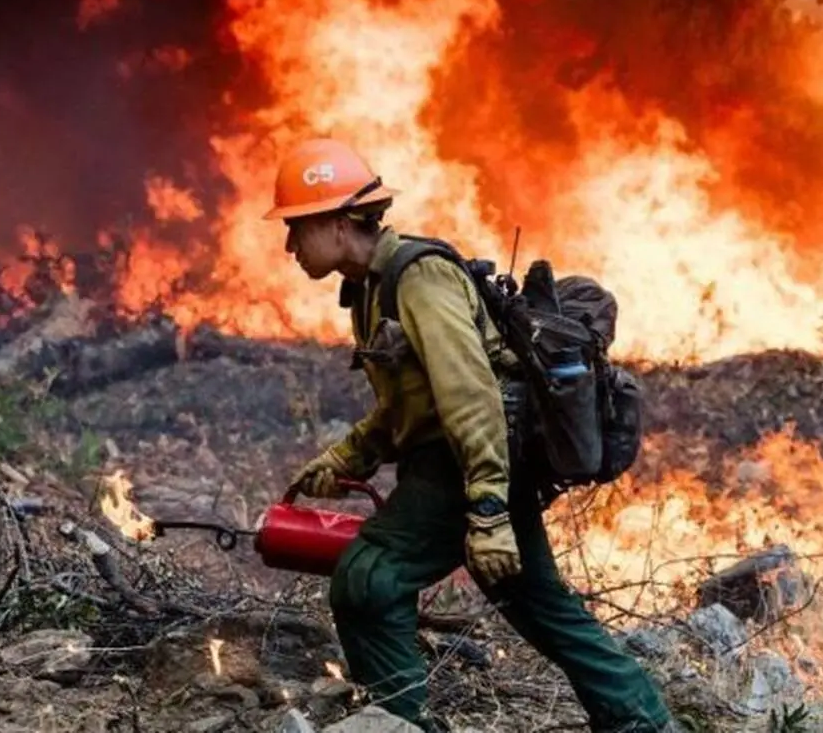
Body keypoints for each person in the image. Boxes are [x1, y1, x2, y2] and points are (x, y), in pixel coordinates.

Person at [263, 137, 675, 733]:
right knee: (543, 608)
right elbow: (412, 404)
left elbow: (470, 396)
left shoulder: (419, 278)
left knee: (369, 580)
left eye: (297, 226)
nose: (289, 245)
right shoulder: (370, 290)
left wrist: (487, 512)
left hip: (466, 464)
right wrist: (348, 455)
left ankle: (397, 723)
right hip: (466, 461)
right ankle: (647, 725)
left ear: (338, 221)